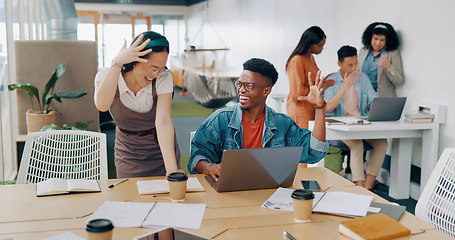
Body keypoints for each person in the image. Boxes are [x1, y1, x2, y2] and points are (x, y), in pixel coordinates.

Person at [188, 58, 329, 181]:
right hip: (228, 192)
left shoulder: (283, 125)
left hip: (268, 193)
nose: (241, 90)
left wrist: (320, 108)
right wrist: (210, 167)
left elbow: (315, 151)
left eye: (249, 85)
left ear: (266, 91)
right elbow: (196, 157)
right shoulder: (220, 119)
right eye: (240, 84)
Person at [94, 31, 182, 178]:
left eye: (161, 69)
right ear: (136, 59)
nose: (156, 74)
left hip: (160, 149)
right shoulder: (106, 75)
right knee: (129, 197)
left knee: (166, 196)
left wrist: (172, 171)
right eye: (153, 68)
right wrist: (116, 63)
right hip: (128, 150)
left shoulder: (163, 78)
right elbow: (102, 106)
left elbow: (163, 122)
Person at [324, 45, 388, 190]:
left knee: (382, 143)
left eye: (356, 63)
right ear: (339, 64)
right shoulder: (331, 80)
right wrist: (345, 87)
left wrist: (379, 107)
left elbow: (373, 100)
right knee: (357, 144)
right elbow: (328, 107)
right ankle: (359, 187)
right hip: (339, 128)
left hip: (360, 125)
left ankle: (368, 187)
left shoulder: (363, 78)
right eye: (349, 65)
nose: (354, 68)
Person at [286, 26, 334, 129]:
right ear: (309, 43)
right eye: (319, 45)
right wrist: (322, 86)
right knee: (303, 142)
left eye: (323, 45)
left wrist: (326, 81)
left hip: (311, 107)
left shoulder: (310, 57)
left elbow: (313, 83)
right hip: (300, 110)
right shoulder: (297, 60)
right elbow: (297, 93)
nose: (322, 49)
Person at [358, 22, 404, 97]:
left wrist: (388, 67)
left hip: (382, 98)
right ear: (370, 38)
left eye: (382, 40)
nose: (378, 43)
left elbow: (399, 81)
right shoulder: (363, 51)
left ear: (387, 41)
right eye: (375, 39)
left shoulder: (392, 54)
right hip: (363, 96)